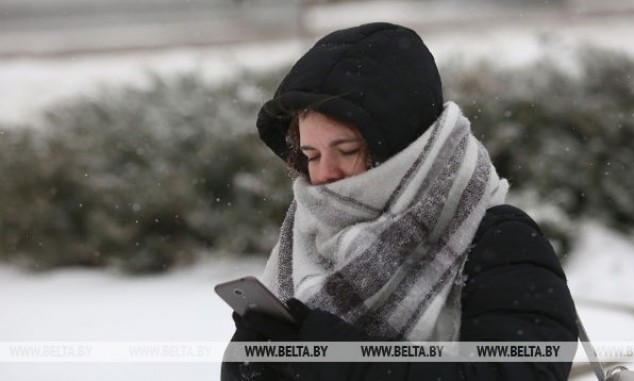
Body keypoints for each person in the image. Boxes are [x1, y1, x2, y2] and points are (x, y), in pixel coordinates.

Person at [221, 22, 578, 380]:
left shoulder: (500, 241)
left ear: (406, 148)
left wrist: (342, 360)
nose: (324, 174)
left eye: (346, 150)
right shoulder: (308, 240)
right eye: (311, 156)